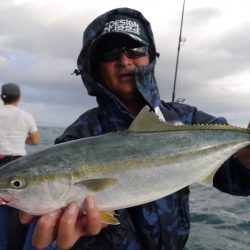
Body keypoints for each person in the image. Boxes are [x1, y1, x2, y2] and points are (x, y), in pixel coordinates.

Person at [20, 7, 250, 250]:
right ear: (95, 67)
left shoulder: (187, 118)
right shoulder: (79, 135)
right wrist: (85, 237)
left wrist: (246, 160)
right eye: (109, 54)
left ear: (151, 56)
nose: (124, 61)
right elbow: (72, 214)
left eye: (136, 49)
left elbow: (233, 180)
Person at [0, 82, 40, 250]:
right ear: (18, 98)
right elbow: (36, 141)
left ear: (2, 97)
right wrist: (21, 138)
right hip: (17, 165)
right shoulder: (26, 116)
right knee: (16, 214)